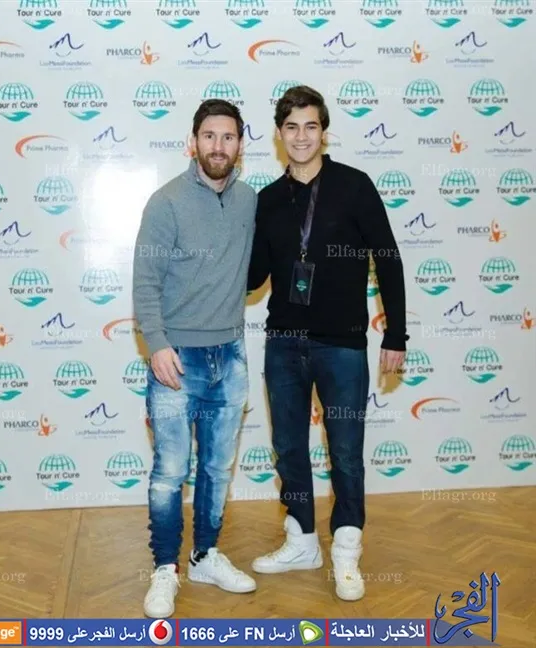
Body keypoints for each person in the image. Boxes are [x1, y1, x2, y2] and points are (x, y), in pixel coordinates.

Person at [247, 85, 407, 601]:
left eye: (310, 126)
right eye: (291, 127)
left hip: (342, 346)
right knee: (290, 448)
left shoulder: (354, 186)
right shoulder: (267, 200)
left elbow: (389, 260)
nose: (301, 136)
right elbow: (253, 278)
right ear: (279, 134)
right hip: (283, 344)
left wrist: (396, 333)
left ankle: (346, 548)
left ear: (324, 132)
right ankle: (301, 541)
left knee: (346, 452)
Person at [132, 99, 258, 618]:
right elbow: (145, 282)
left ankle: (205, 555)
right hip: (176, 359)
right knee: (170, 471)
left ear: (240, 146)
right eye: (209, 136)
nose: (218, 146)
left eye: (228, 137)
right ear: (193, 142)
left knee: (216, 468)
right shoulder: (165, 202)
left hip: (230, 356)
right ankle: (166, 568)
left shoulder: (250, 200)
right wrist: (157, 344)